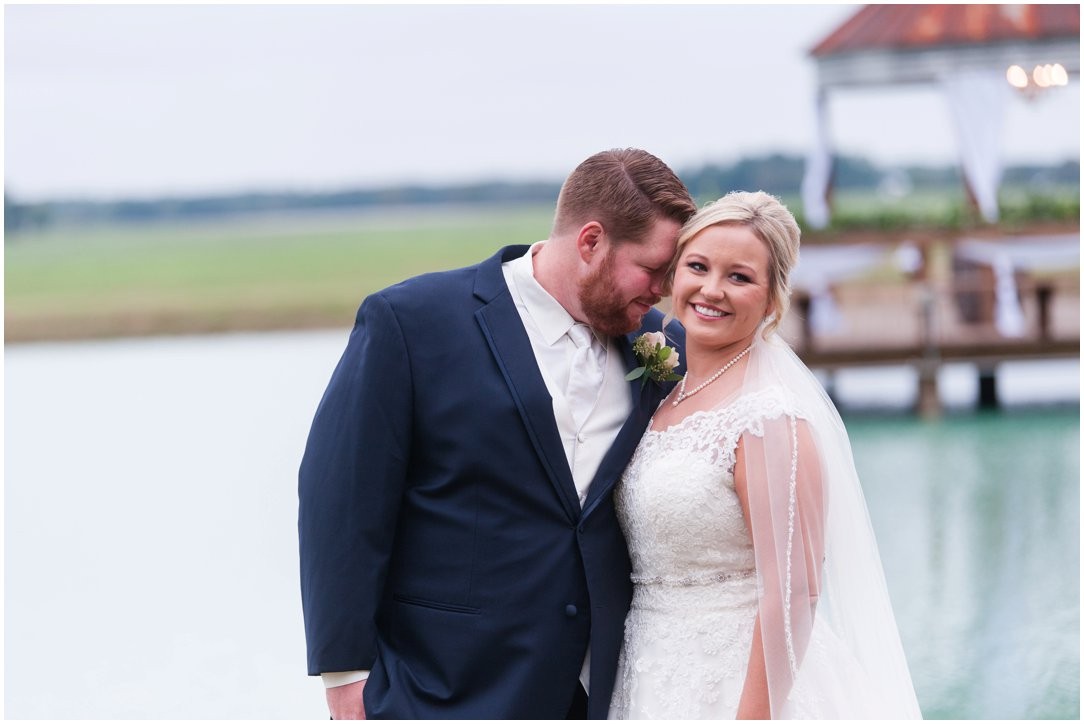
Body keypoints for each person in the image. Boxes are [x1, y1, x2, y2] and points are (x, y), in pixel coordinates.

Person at [298, 148, 697, 719]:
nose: (664, 288)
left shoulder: (661, 342)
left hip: (607, 693)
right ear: (590, 242)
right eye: (654, 268)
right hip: (446, 688)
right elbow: (339, 505)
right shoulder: (411, 322)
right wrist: (345, 682)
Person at [608, 191, 922, 719]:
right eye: (699, 267)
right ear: (673, 275)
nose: (712, 290)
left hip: (739, 686)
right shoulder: (664, 394)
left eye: (739, 277)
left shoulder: (769, 418)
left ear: (772, 300)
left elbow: (795, 591)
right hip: (650, 670)